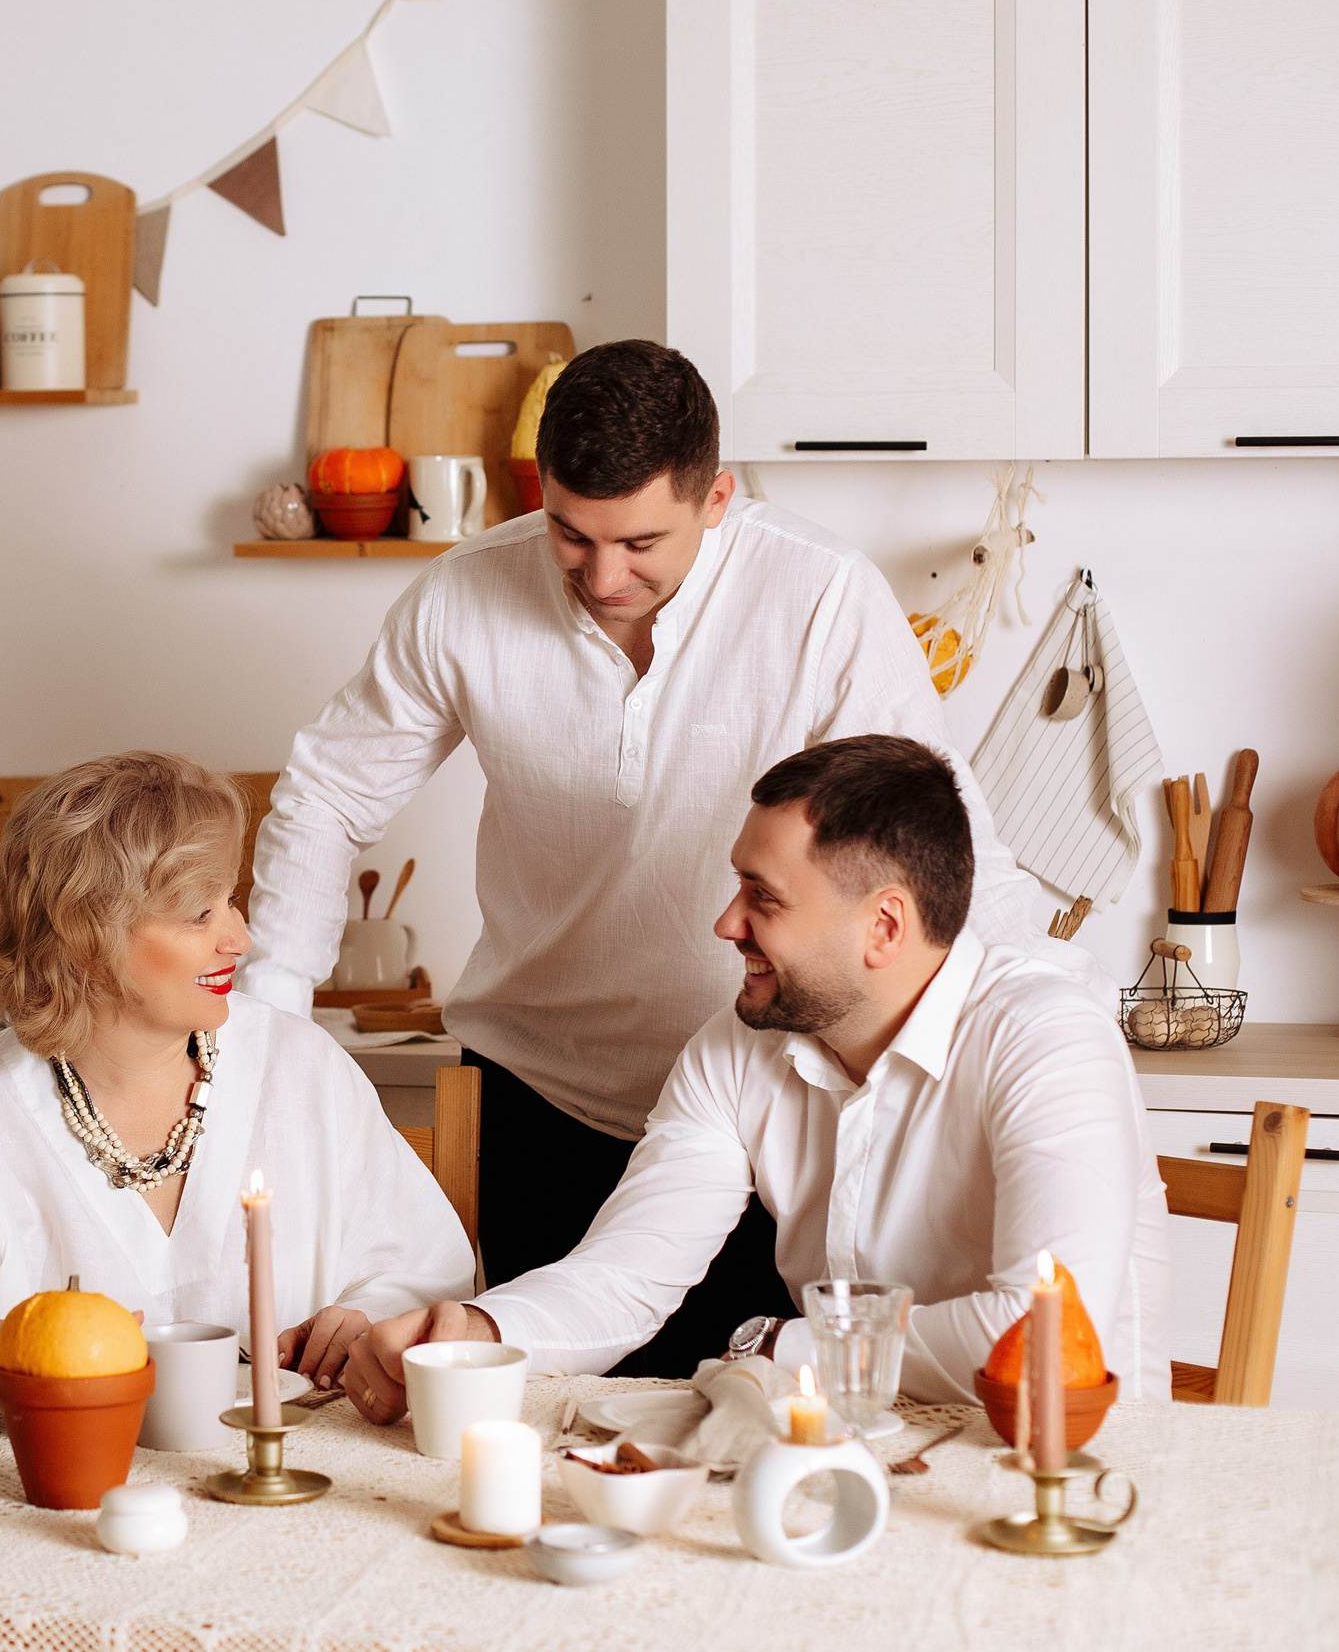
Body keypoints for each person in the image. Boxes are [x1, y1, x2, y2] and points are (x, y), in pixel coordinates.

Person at [236, 340, 1059, 1373]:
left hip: (759, 1085)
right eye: (570, 534)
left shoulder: (820, 597)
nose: (600, 574)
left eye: (638, 541)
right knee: (546, 1420)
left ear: (715, 497)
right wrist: (265, 1028)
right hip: (541, 1092)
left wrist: (1037, 1021)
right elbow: (325, 793)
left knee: (754, 1410)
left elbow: (934, 831)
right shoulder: (463, 598)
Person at [338, 735, 1170, 1420]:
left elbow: (1045, 1335)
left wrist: (783, 1344)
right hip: (843, 1454)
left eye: (762, 898)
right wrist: (477, 1328)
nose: (725, 923)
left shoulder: (1048, 1039)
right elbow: (626, 1276)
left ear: (884, 925)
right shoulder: (736, 1047)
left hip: (1057, 1477)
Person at [0, 751, 474, 1393]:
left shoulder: (301, 1067)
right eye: (201, 914)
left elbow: (428, 1270)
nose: (239, 939)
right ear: (87, 937)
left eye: (232, 901)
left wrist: (369, 1322)